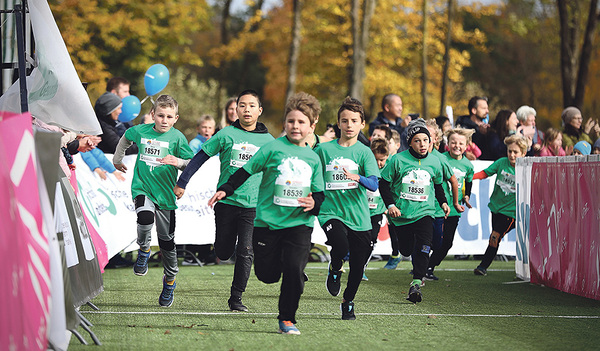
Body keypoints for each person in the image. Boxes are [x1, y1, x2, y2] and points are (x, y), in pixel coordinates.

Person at [207, 92, 325, 335]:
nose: (295, 126)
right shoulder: (272, 148)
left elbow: (320, 194)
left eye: (301, 122)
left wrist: (315, 203)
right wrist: (226, 189)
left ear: (312, 126)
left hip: (299, 224)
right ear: (284, 123)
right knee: (267, 275)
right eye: (291, 121)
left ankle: (287, 319)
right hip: (267, 223)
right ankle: (283, 262)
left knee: (294, 271)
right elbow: (244, 172)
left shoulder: (313, 158)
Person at [174, 90, 274, 312]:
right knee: (223, 251)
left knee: (246, 250)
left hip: (252, 206)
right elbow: (200, 157)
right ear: (235, 110)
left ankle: (236, 298)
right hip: (226, 203)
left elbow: (276, 172)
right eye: (242, 105)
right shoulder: (226, 134)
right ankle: (222, 250)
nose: (246, 110)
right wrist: (182, 182)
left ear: (259, 110)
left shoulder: (269, 141)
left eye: (251, 106)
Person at [113, 95, 194, 307]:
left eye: (169, 116)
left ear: (176, 118)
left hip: (165, 195)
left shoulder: (177, 138)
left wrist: (178, 162)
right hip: (143, 187)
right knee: (145, 218)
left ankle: (169, 281)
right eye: (160, 115)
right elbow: (125, 138)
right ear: (152, 115)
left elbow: (192, 163)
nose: (164, 120)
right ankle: (144, 250)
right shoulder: (141, 131)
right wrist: (117, 159)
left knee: (167, 243)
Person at [315, 97, 380, 320]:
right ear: (338, 124)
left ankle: (348, 301)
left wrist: (358, 177)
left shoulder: (364, 152)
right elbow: (310, 169)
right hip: (330, 211)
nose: (349, 125)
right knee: (340, 246)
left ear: (362, 124)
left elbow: (373, 183)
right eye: (344, 121)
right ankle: (334, 268)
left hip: (359, 216)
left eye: (354, 120)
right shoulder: (324, 150)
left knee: (358, 267)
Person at [379, 118, 451, 303]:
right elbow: (384, 184)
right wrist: (391, 205)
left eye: (425, 140)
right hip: (401, 215)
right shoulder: (397, 160)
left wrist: (443, 202)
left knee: (425, 246)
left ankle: (417, 281)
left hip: (425, 212)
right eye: (417, 140)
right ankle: (408, 253)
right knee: (405, 249)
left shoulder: (435, 162)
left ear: (431, 142)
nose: (422, 144)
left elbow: (438, 185)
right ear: (410, 142)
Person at [472, 135, 528, 276]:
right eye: (510, 151)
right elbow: (486, 173)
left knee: (495, 237)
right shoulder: (502, 162)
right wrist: (471, 176)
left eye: (515, 152)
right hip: (496, 208)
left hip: (511, 213)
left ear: (523, 153)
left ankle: (483, 267)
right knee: (495, 238)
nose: (512, 155)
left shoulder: (526, 169)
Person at [426, 128, 474, 280]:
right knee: (431, 240)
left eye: (460, 143)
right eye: (453, 142)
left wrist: (466, 197)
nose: (456, 146)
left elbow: (468, 183)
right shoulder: (440, 158)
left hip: (454, 209)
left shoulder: (468, 166)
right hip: (437, 207)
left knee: (446, 244)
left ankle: (430, 266)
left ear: (466, 146)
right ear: (448, 144)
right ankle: (422, 265)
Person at [424, 119, 462, 281]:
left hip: (438, 209)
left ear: (436, 139)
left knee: (439, 243)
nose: (424, 138)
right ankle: (421, 268)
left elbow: (453, 181)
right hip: (420, 209)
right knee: (421, 241)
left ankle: (428, 266)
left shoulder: (440, 159)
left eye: (428, 135)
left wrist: (453, 203)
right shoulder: (410, 158)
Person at [363, 138, 389, 281]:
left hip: (377, 211)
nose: (379, 164)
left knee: (372, 240)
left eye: (382, 160)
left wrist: (387, 206)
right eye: (376, 160)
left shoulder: (388, 168)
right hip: (361, 210)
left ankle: (362, 268)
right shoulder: (364, 166)